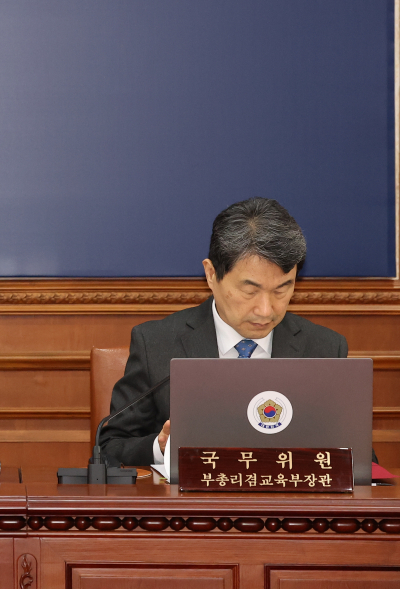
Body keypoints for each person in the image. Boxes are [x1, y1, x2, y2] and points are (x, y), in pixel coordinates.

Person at [98, 197, 348, 467]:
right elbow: (110, 446)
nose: (266, 310)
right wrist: (161, 448)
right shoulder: (156, 344)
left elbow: (358, 456)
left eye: (282, 289)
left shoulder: (325, 349)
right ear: (211, 274)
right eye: (250, 291)